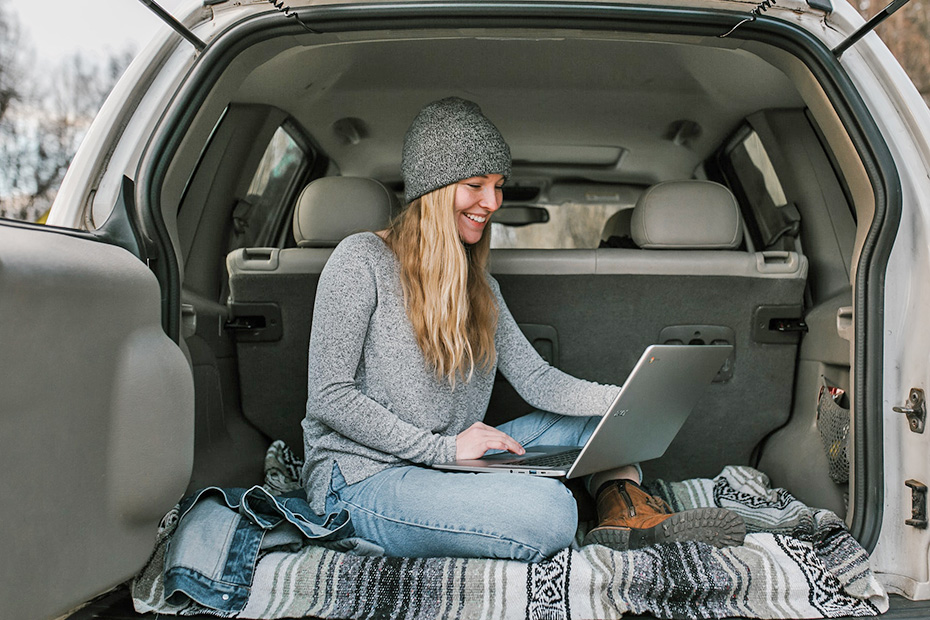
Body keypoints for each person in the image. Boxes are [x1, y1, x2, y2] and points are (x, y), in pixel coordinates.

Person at [299, 97, 744, 562]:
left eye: (497, 186)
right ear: (432, 190)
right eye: (475, 185)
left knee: (604, 426)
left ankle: (626, 515)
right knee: (550, 514)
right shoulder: (359, 260)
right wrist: (442, 449)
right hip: (363, 476)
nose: (492, 203)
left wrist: (620, 400)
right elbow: (330, 397)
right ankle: (573, 506)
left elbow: (537, 379)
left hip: (450, 461)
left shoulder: (480, 285)